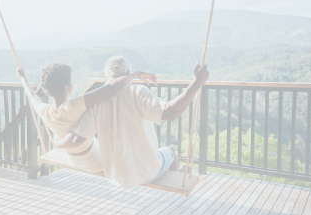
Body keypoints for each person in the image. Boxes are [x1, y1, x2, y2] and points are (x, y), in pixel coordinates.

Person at [54, 56, 209, 187]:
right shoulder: (136, 92)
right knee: (171, 152)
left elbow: (77, 138)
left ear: (109, 78)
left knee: (163, 156)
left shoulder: (97, 101)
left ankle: (178, 173)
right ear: (128, 74)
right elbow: (170, 112)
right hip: (145, 173)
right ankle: (178, 177)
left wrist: (58, 144)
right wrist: (196, 83)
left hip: (116, 176)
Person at [16, 62, 157, 173]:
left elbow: (32, 95)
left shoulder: (44, 111)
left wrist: (23, 78)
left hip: (74, 159)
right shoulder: (73, 106)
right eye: (70, 82)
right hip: (94, 161)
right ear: (66, 87)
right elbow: (110, 88)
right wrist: (136, 74)